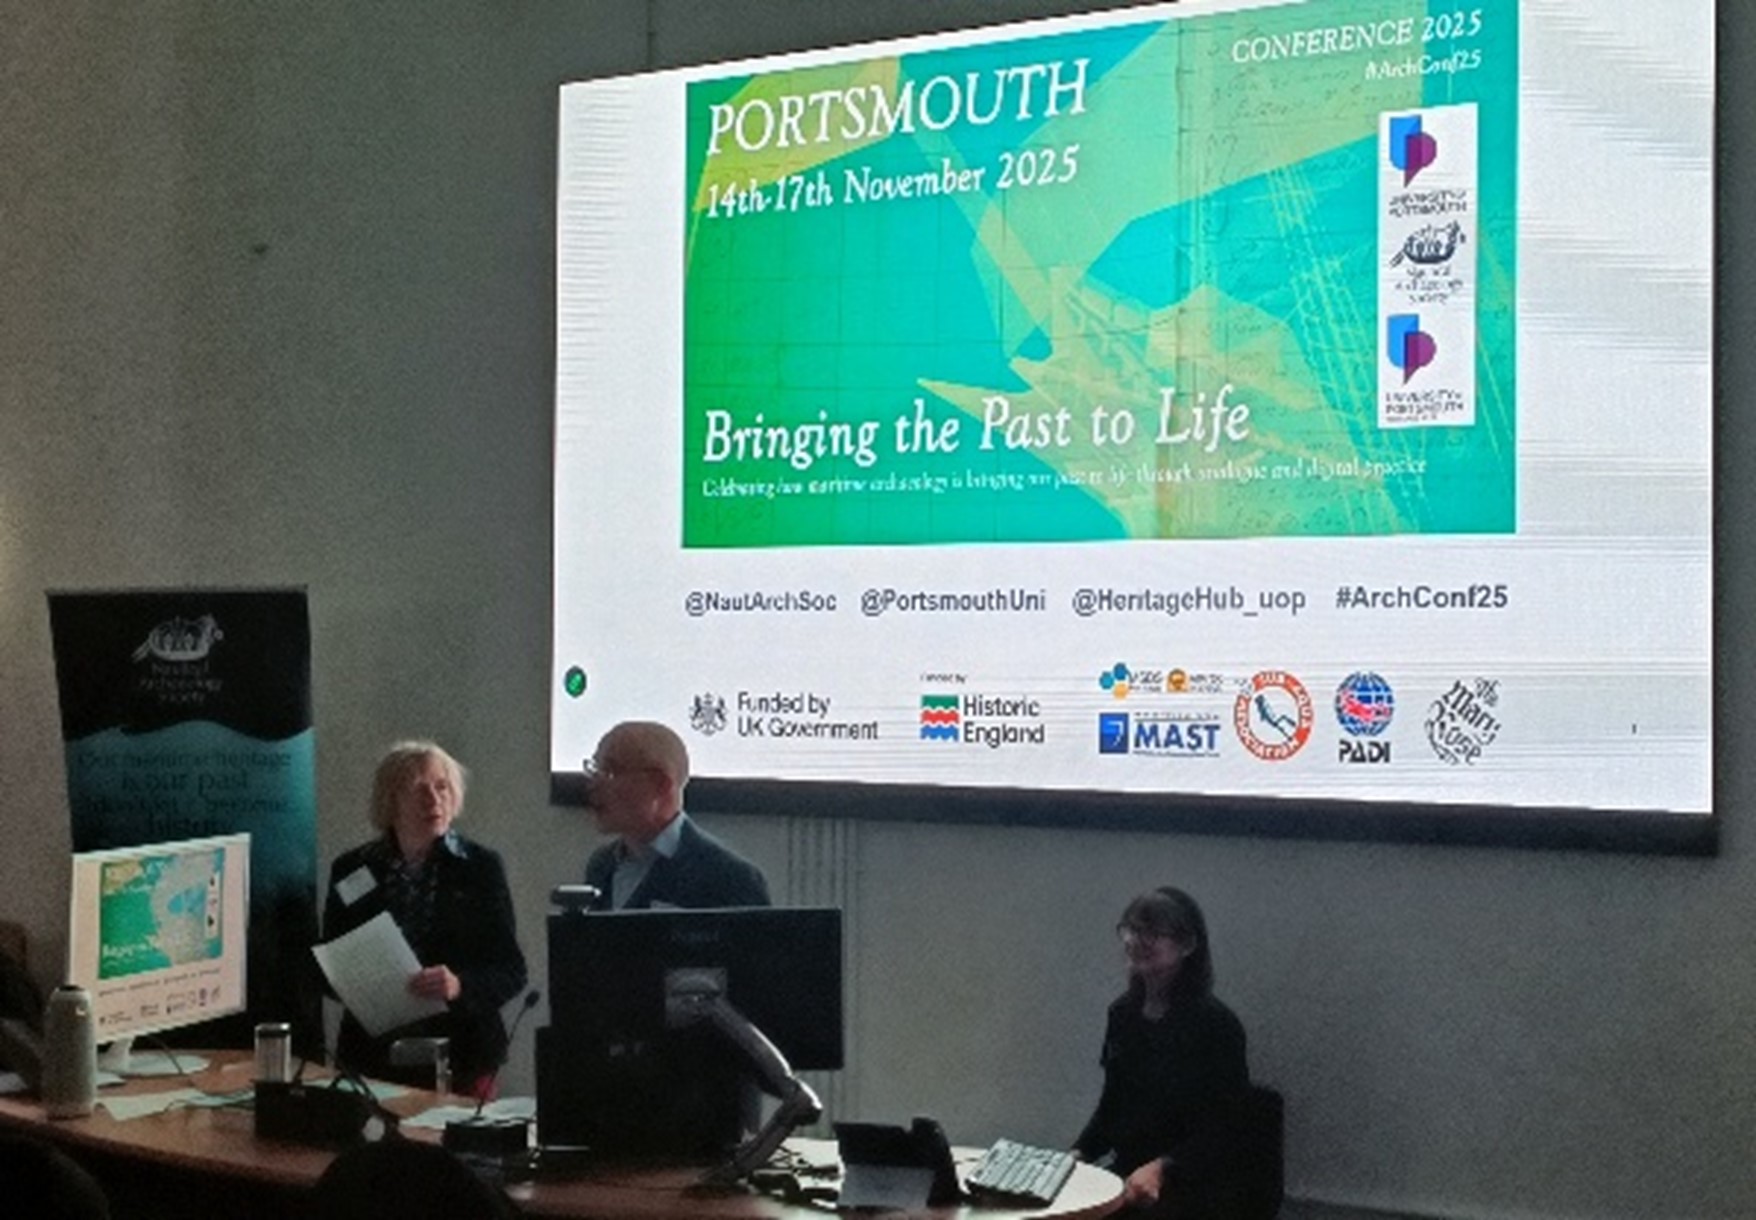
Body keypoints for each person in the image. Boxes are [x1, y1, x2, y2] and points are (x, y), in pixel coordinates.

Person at [322, 742, 527, 1096]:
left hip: (461, 1053)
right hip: (373, 1054)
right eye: (418, 789)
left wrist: (459, 986)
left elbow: (510, 971)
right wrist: (356, 983)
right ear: (391, 801)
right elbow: (330, 961)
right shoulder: (352, 868)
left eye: (442, 787)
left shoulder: (480, 868)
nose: (434, 800)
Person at [1074, 887, 1251, 1219]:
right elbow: (1112, 1106)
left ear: (1188, 945)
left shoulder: (1216, 1025)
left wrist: (1162, 1167)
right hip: (1131, 1170)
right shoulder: (1122, 1013)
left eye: (1153, 932)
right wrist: (1077, 1154)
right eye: (1131, 929)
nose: (1136, 940)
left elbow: (1224, 1127)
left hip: (1197, 1181)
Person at [581, 720, 769, 909]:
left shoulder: (731, 878)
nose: (594, 784)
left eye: (611, 772)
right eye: (595, 769)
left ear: (661, 784)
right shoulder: (602, 865)